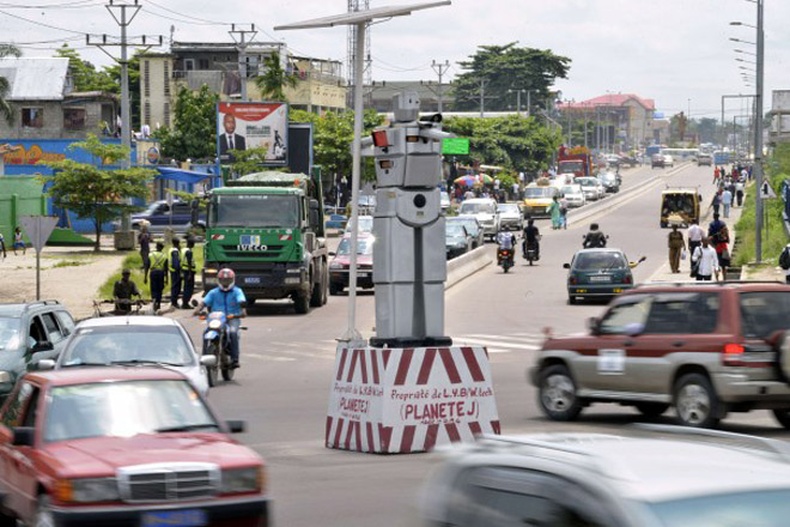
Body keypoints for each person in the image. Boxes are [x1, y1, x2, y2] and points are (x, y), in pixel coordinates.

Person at [193, 268, 247, 369]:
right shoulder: (213, 292)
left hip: (232, 318)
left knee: (233, 333)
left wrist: (242, 307)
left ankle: (235, 359)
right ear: (219, 280)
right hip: (216, 319)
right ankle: (205, 356)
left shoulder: (237, 291)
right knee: (206, 333)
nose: (225, 283)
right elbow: (204, 302)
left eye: (228, 280)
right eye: (223, 280)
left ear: (232, 280)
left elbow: (241, 300)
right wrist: (198, 309)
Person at [147, 241, 168, 311]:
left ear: (156, 247)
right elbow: (166, 268)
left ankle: (154, 300)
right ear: (162, 248)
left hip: (153, 272)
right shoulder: (164, 256)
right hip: (161, 273)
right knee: (160, 288)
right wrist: (167, 278)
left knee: (153, 287)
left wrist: (145, 276)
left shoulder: (151, 254)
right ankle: (158, 302)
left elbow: (147, 265)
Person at [181, 238, 197, 309]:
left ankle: (185, 302)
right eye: (193, 243)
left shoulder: (183, 250)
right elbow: (189, 262)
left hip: (185, 270)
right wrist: (190, 273)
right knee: (189, 288)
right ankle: (185, 303)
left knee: (186, 287)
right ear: (191, 244)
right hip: (188, 272)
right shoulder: (189, 252)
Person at [168, 238, 182, 309]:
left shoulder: (171, 249)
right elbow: (176, 263)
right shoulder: (175, 251)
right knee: (176, 287)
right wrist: (179, 270)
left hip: (172, 270)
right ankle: (174, 302)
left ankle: (174, 301)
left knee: (174, 286)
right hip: (175, 271)